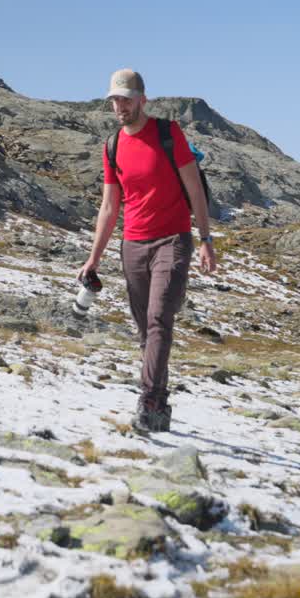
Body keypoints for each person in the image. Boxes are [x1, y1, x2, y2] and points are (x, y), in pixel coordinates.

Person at [79, 68, 217, 433]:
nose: (120, 106)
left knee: (159, 319)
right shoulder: (112, 146)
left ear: (143, 99)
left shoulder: (168, 134)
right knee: (146, 331)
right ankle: (160, 403)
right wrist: (94, 258)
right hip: (133, 246)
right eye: (114, 100)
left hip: (172, 241)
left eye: (126, 98)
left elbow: (196, 190)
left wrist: (205, 240)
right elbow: (109, 208)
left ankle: (149, 401)